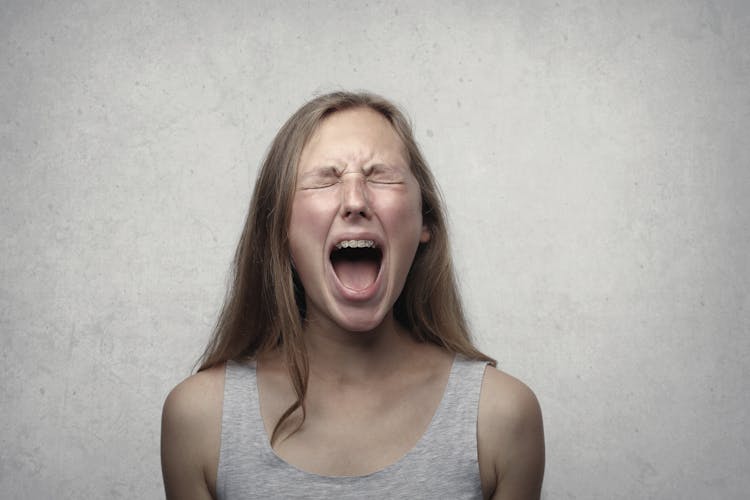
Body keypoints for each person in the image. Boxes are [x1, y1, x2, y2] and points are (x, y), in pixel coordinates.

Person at [161, 91, 545, 499]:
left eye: (380, 174)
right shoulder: (201, 421)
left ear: (424, 223)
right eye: (325, 178)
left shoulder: (501, 418)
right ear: (279, 231)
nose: (356, 201)